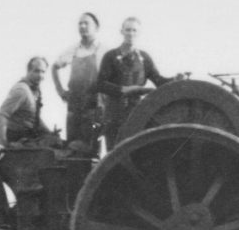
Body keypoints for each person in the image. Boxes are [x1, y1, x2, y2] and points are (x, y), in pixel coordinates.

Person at [92, 16, 171, 151]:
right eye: (128, 30)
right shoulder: (110, 56)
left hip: (137, 113)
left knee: (137, 152)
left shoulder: (144, 58)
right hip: (114, 114)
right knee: (114, 153)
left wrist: (175, 79)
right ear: (121, 31)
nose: (131, 34)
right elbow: (100, 84)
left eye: (134, 30)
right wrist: (124, 89)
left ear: (139, 33)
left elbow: (158, 80)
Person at [52, 14, 104, 153]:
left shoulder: (103, 51)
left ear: (96, 27)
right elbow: (55, 67)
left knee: (90, 150)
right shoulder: (73, 50)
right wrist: (61, 91)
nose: (82, 27)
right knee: (72, 148)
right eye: (80, 24)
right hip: (74, 109)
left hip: (93, 108)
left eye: (86, 23)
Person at [0, 55, 56, 149]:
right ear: (28, 71)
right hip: (17, 139)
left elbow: (34, 118)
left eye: (43, 72)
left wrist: (50, 133)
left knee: (56, 142)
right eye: (36, 71)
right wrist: (5, 143)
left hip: (28, 136)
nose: (40, 75)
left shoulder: (34, 90)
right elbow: (2, 114)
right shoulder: (22, 90)